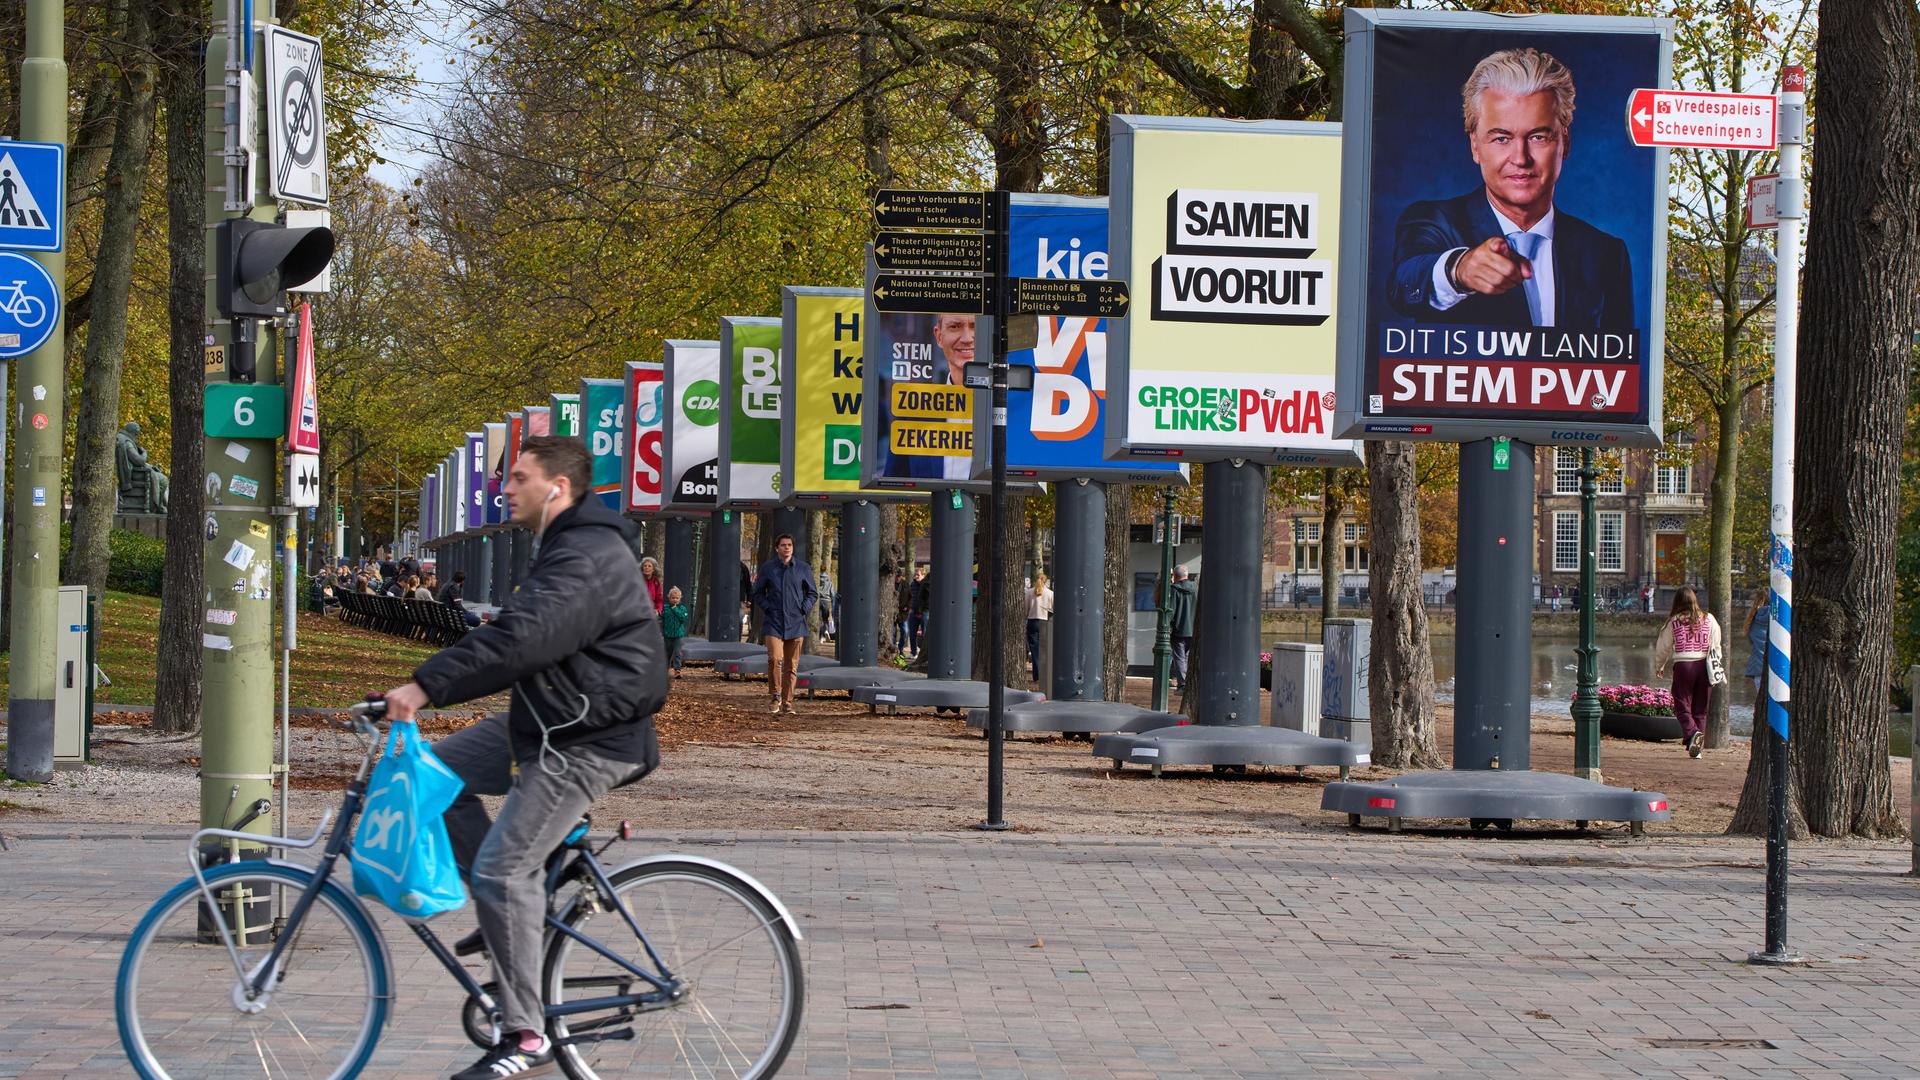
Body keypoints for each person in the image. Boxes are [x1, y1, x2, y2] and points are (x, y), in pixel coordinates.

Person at [381, 435, 668, 1080]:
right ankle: (514, 911)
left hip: (588, 736)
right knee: (436, 776)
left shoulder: (585, 554)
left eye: (517, 477)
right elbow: (525, 638)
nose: (504, 488)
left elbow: (524, 638)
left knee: (501, 872)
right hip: (549, 719)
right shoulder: (564, 545)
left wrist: (426, 685)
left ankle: (526, 1034)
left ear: (556, 487)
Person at [1388, 47, 1634, 330]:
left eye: (1538, 137)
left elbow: (1620, 366)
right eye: (1502, 139)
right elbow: (1404, 283)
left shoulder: (1606, 254)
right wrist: (1460, 270)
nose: (1521, 158)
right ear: (1475, 146)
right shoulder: (1433, 222)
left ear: (1565, 142)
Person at [1653, 585, 1722, 760]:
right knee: (1700, 709)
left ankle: (1692, 733)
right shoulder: (1709, 619)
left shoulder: (1673, 621)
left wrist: (1660, 665)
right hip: (1704, 666)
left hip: (1683, 665)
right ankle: (1697, 749)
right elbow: (1716, 645)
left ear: (1677, 601)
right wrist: (1716, 664)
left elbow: (1663, 646)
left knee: (1682, 703)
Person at [752, 534, 816, 715]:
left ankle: (788, 702)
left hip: (796, 623)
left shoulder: (803, 568)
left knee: (791, 665)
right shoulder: (768, 568)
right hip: (774, 621)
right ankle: (775, 696)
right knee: (775, 659)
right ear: (776, 548)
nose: (787, 548)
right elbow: (757, 592)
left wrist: (803, 609)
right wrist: (768, 607)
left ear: (793, 548)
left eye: (789, 545)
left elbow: (812, 593)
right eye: (783, 545)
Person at [1168, 564, 1197, 692]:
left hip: (1179, 629)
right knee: (1188, 657)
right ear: (1187, 574)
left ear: (1175, 576)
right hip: (1194, 629)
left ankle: (1183, 684)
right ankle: (1190, 683)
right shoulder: (1195, 588)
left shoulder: (1174, 589)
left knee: (1179, 657)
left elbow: (1171, 610)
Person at [1025, 572, 1053, 683]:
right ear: (1045, 581)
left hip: (1032, 622)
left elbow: (1025, 609)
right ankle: (1046, 674)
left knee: (1035, 650)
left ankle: (1037, 675)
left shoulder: (1029, 592)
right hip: (1045, 622)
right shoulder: (1050, 593)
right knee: (1046, 650)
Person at [1744, 594, 1770, 696]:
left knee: (1761, 701)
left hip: (1758, 667)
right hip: (1777, 666)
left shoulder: (1752, 620)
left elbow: (1751, 641)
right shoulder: (1780, 619)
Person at [661, 586, 690, 676]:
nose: (675, 600)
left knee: (677, 653)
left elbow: (683, 618)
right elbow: (661, 618)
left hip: (678, 635)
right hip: (668, 635)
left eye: (677, 598)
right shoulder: (665, 608)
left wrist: (675, 609)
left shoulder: (682, 608)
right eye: (673, 598)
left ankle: (677, 670)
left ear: (680, 598)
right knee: (667, 653)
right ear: (669, 598)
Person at [908, 564, 930, 657]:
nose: (916, 576)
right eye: (915, 574)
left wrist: (921, 611)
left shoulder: (927, 585)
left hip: (924, 612)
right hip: (913, 611)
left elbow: (927, 600)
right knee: (912, 633)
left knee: (925, 633)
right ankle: (914, 652)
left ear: (923, 575)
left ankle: (924, 653)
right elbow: (910, 597)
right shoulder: (912, 584)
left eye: (918, 575)